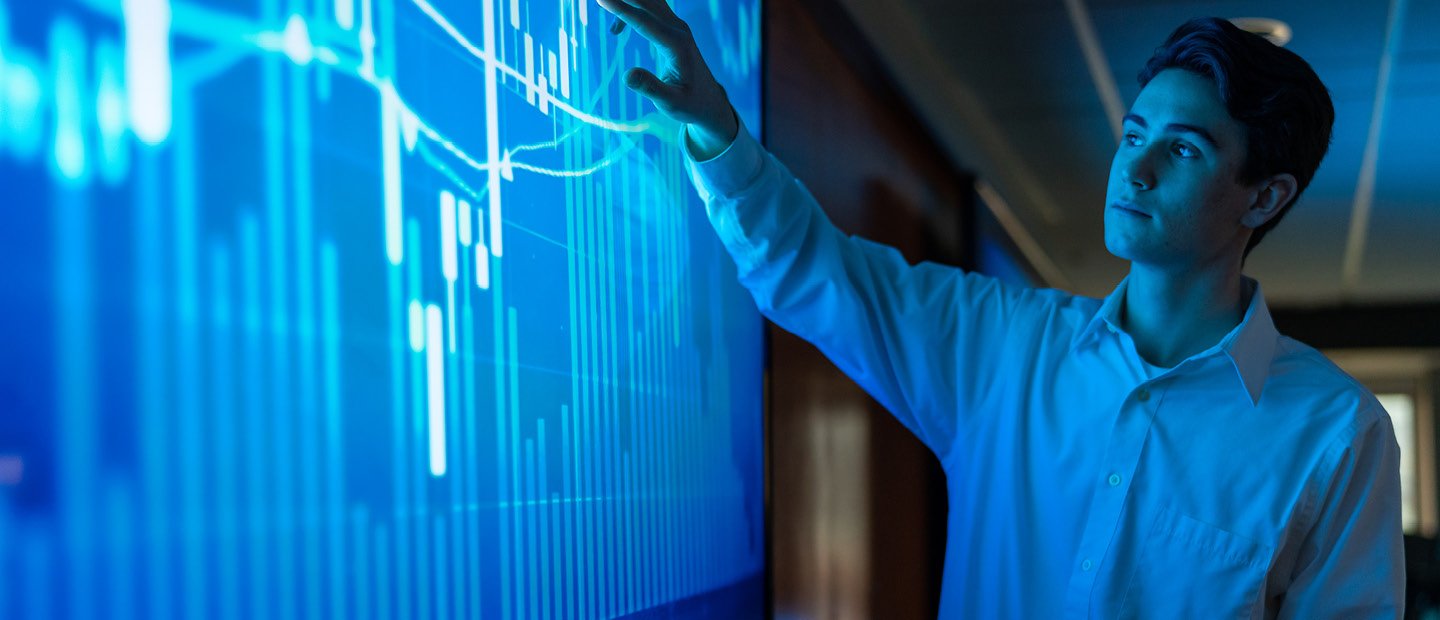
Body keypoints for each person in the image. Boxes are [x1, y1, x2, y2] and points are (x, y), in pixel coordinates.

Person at [595, 1, 1405, 617]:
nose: (1137, 169)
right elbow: (810, 270)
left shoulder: (1336, 432)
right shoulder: (1004, 346)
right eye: (1133, 134)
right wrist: (714, 127)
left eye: (1184, 149)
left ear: (1265, 197)